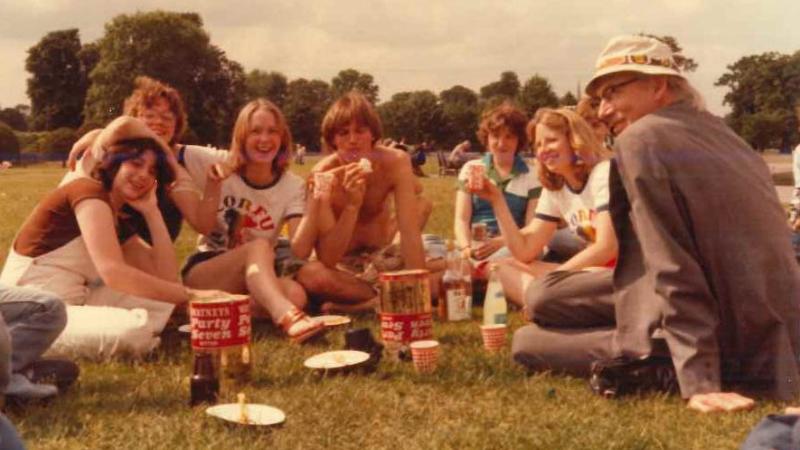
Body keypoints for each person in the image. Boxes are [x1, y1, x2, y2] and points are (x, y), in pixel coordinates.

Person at [512, 35, 800, 411]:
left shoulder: (642, 139)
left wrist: (700, 378)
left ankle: (662, 363)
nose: (602, 110)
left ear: (659, 85)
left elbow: (673, 263)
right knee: (542, 293)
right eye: (599, 98)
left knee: (527, 342)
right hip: (771, 324)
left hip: (724, 334)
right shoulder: (728, 138)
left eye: (613, 92)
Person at [1, 117, 221, 358]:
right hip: (33, 311)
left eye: (151, 171)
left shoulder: (115, 214)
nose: (143, 175)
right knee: (133, 331)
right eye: (135, 164)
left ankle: (125, 327)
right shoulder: (86, 190)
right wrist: (191, 296)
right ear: (114, 163)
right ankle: (16, 339)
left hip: (75, 300)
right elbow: (113, 272)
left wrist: (152, 211)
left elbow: (167, 278)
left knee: (164, 302)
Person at [180, 99, 325, 343]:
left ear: (283, 138)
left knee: (296, 294)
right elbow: (163, 146)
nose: (264, 139)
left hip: (257, 275)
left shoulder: (292, 186)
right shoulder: (217, 161)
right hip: (209, 269)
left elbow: (299, 250)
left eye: (272, 131)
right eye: (255, 131)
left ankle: (206, 310)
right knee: (260, 247)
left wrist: (315, 202)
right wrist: (94, 138)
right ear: (241, 136)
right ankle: (287, 317)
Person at [469, 107, 616, 306]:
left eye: (551, 140)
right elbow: (525, 252)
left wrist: (554, 278)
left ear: (574, 140)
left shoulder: (603, 173)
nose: (543, 150)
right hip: (588, 274)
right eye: (538, 144)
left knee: (549, 285)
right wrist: (497, 201)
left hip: (620, 274)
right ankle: (543, 301)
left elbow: (606, 248)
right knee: (498, 267)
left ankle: (543, 300)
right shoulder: (556, 187)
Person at [306, 91, 431, 312]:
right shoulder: (323, 174)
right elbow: (327, 257)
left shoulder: (395, 162)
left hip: (381, 257)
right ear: (333, 139)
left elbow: (410, 231)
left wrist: (419, 287)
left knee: (440, 273)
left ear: (373, 134)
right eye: (344, 133)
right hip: (343, 266)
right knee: (314, 276)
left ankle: (361, 305)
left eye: (360, 131)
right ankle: (391, 296)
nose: (353, 140)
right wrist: (352, 207)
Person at [454, 102, 541, 264]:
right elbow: (461, 220)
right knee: (431, 246)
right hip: (474, 245)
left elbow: (532, 227)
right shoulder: (472, 168)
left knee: (500, 259)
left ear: (519, 141)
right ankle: (474, 267)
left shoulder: (531, 174)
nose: (501, 143)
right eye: (495, 136)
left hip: (512, 244)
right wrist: (466, 248)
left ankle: (477, 270)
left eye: (509, 137)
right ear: (486, 138)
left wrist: (499, 242)